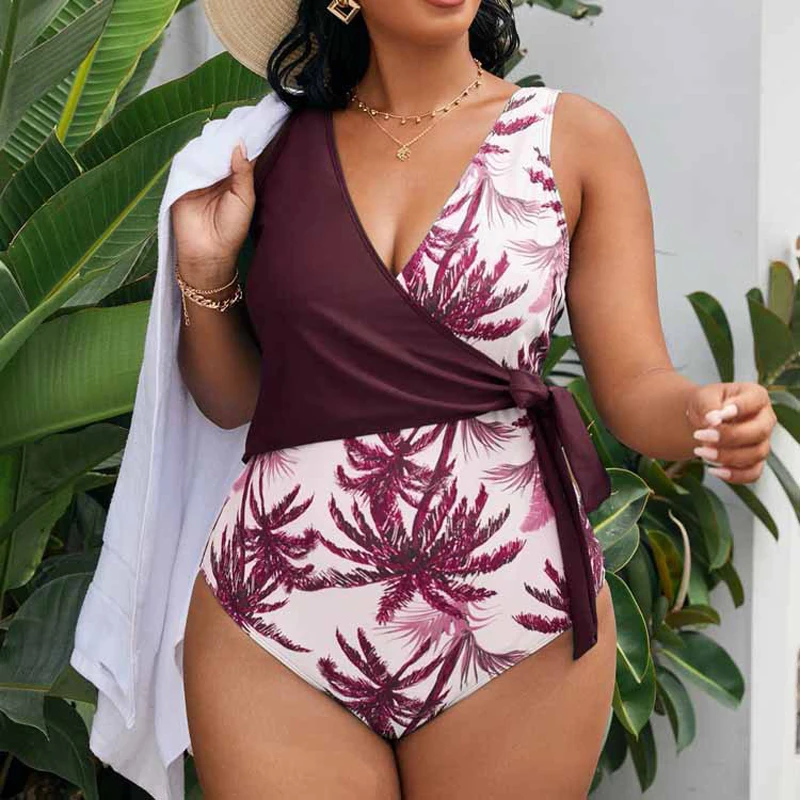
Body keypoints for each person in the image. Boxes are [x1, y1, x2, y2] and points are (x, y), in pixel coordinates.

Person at [171, 0, 777, 796]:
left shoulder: (574, 139)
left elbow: (635, 388)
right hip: (275, 611)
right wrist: (205, 273)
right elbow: (232, 400)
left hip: (512, 617)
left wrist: (702, 413)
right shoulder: (269, 150)